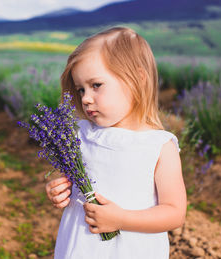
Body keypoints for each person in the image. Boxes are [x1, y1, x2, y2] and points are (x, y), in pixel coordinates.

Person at [45, 26, 187, 258]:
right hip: (81, 247)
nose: (86, 99)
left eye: (96, 86)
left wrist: (121, 219)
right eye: (80, 90)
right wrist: (58, 188)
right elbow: (66, 176)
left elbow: (174, 213)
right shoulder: (80, 134)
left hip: (131, 249)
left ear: (137, 79)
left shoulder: (158, 146)